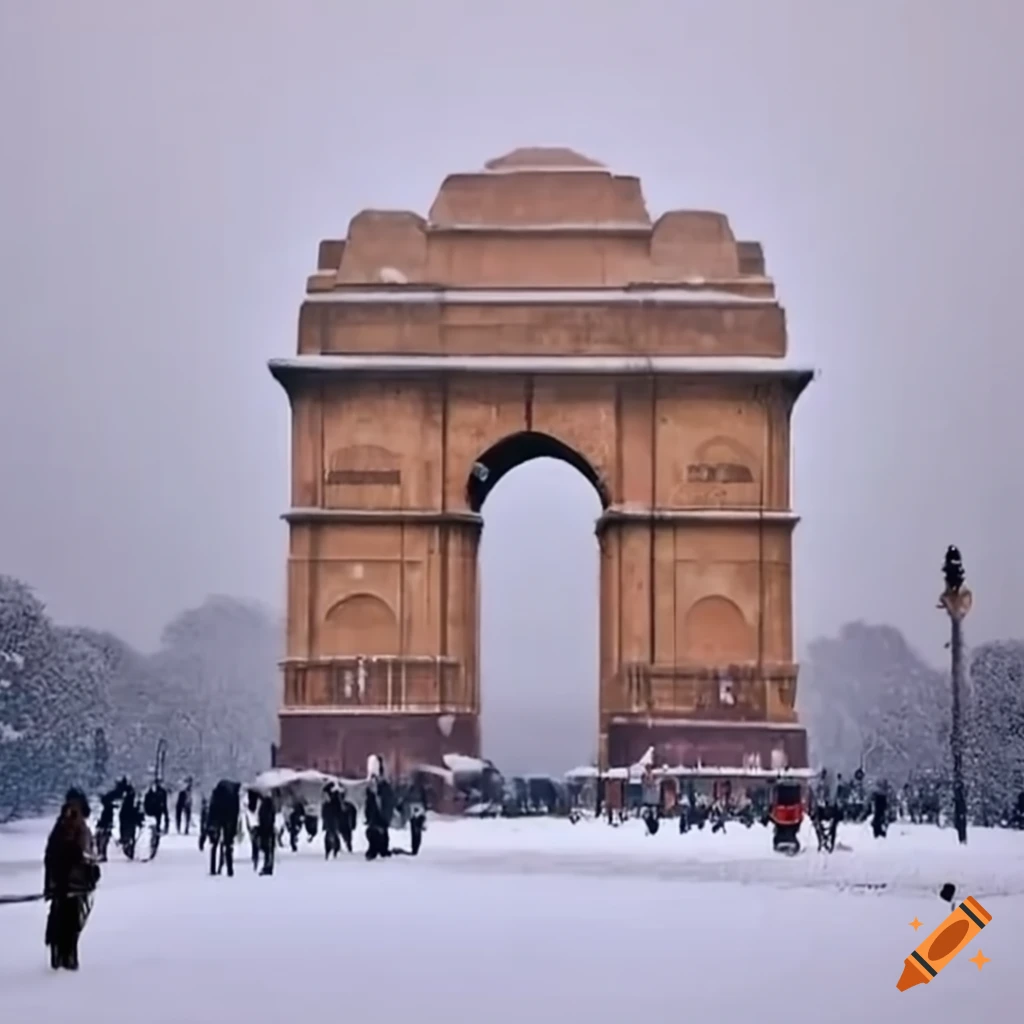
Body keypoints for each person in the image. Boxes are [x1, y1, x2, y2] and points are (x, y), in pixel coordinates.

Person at [44, 789, 100, 970]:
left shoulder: (68, 821)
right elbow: (67, 852)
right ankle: (65, 957)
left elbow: (53, 854)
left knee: (65, 918)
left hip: (66, 880)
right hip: (70, 881)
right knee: (69, 920)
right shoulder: (71, 820)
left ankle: (62, 954)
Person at [321, 784, 343, 860]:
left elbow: (337, 812)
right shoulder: (330, 803)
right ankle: (332, 851)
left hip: (332, 821)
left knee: (331, 835)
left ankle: (333, 850)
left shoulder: (334, 802)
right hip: (330, 821)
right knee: (331, 835)